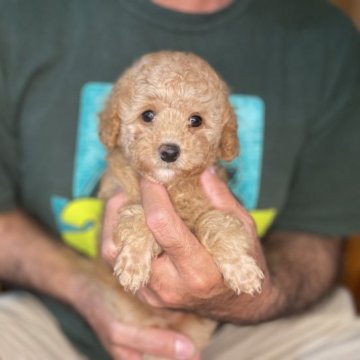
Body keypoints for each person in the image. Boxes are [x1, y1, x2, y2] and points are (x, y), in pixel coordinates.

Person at [0, 0, 359, 359]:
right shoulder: (18, 15)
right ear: (114, 123)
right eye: (148, 115)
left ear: (226, 135)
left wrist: (255, 298)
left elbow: (316, 237)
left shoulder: (328, 39)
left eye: (196, 122)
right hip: (52, 317)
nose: (170, 144)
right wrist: (85, 289)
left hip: (254, 331)